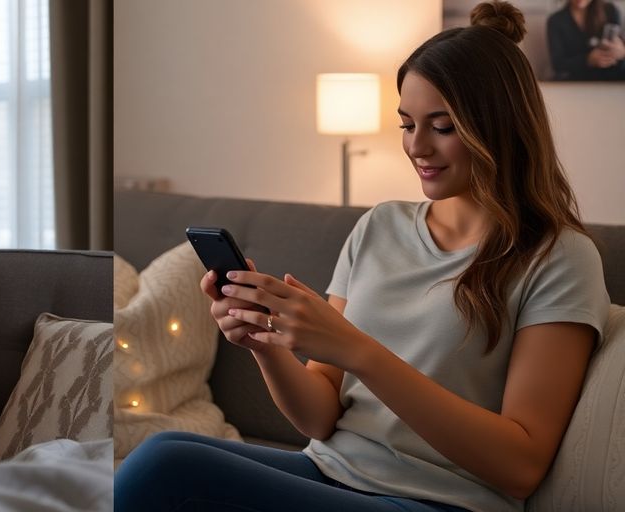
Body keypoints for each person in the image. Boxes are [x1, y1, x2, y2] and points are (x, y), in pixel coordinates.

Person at [114, 2, 609, 511]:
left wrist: (360, 352)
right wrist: (266, 343)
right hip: (329, 470)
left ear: (500, 127)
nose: (417, 146)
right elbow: (319, 418)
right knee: (164, 448)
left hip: (437, 501)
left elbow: (521, 466)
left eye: (442, 127)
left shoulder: (559, 257)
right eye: (405, 124)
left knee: (165, 469)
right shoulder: (379, 226)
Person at [547, 0, 625, 80]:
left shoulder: (610, 11)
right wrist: (587, 60)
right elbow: (558, 64)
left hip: (613, 77)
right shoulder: (556, 20)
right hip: (578, 81)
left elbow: (620, 48)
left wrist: (622, 52)